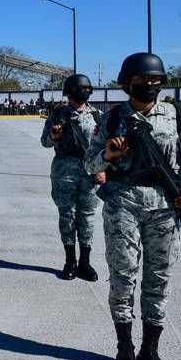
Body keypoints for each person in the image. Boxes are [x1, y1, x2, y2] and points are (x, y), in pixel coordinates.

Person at [84, 52, 181, 360]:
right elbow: (89, 164)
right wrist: (108, 154)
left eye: (155, 79)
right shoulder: (111, 119)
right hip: (123, 203)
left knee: (158, 279)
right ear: (127, 83)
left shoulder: (177, 117)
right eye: (142, 79)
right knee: (122, 276)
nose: (149, 84)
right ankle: (125, 350)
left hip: (165, 207)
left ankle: (150, 352)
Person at [41, 74, 104, 281]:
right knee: (67, 215)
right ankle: (70, 261)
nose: (84, 92)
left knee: (87, 216)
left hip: (90, 173)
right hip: (64, 172)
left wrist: (104, 169)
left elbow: (106, 147)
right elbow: (45, 142)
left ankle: (85, 262)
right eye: (79, 89)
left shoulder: (98, 116)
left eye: (87, 88)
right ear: (69, 92)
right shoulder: (58, 115)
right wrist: (54, 136)